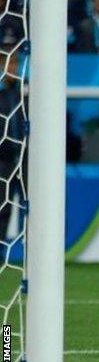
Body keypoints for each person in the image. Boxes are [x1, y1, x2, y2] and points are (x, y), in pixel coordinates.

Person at [0, 49, 24, 240]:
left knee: (25, 206)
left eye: (15, 64)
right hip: (3, 160)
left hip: (22, 160)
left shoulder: (22, 92)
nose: (12, 68)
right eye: (9, 63)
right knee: (2, 208)